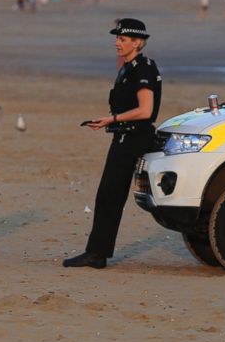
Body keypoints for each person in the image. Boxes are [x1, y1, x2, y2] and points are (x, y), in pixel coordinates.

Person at [64, 19, 162, 269]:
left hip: (134, 137)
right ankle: (96, 252)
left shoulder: (143, 69)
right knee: (107, 194)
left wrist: (113, 119)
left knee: (111, 194)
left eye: (123, 39)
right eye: (117, 38)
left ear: (137, 42)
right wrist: (111, 122)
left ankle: (97, 254)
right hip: (123, 135)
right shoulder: (128, 68)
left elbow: (145, 110)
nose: (117, 43)